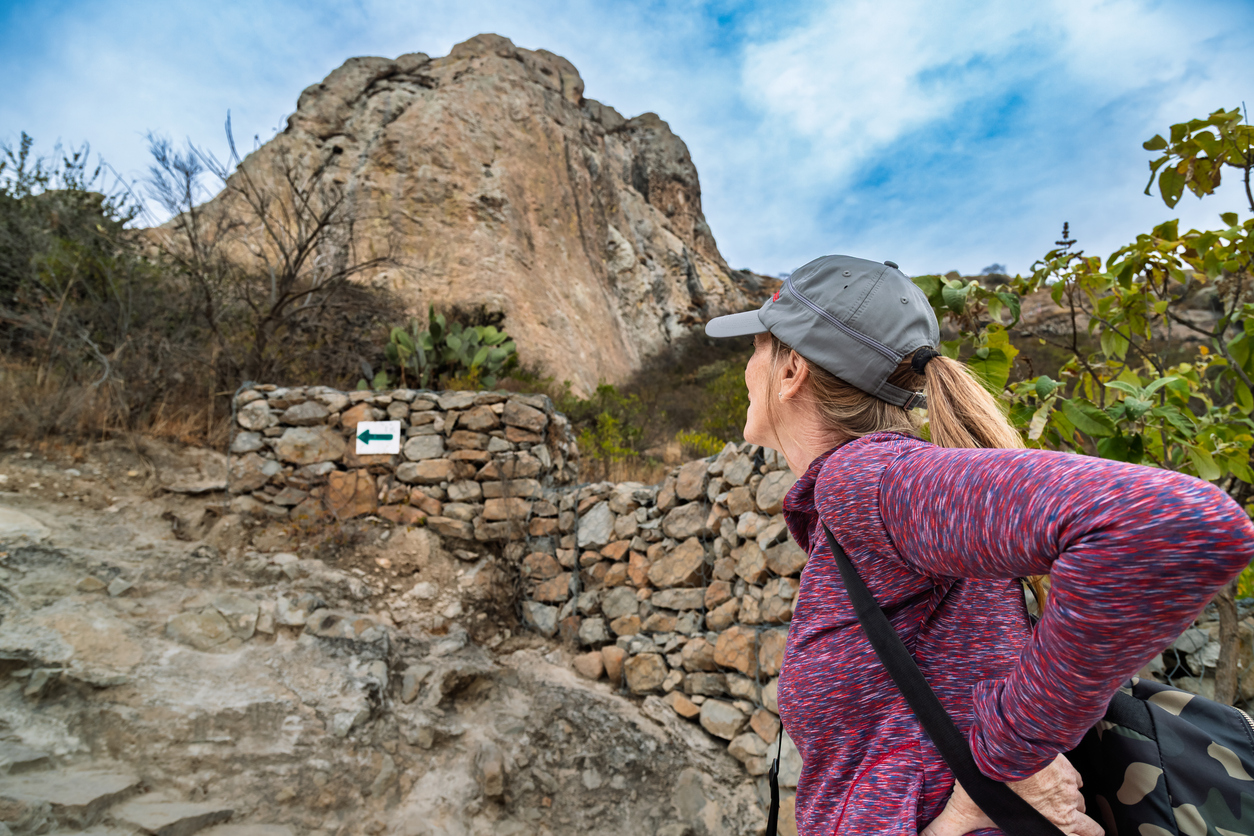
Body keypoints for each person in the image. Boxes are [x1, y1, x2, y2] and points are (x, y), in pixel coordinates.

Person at [704, 254, 1254, 836]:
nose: (746, 367)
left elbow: (1172, 523)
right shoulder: (882, 500)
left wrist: (1006, 762)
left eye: (757, 348)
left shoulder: (864, 480)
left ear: (791, 370)